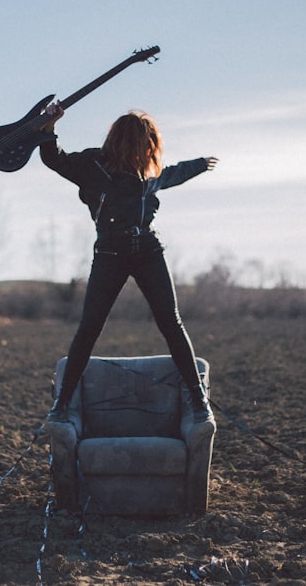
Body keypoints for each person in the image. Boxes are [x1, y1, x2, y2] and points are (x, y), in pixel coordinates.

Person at [38, 104, 218, 424]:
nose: (149, 148)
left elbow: (174, 172)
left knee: (171, 323)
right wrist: (49, 129)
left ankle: (198, 396)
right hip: (110, 251)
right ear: (128, 140)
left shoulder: (149, 172)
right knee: (90, 327)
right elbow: (56, 159)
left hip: (148, 249)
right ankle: (61, 403)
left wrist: (200, 165)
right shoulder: (94, 164)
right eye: (144, 141)